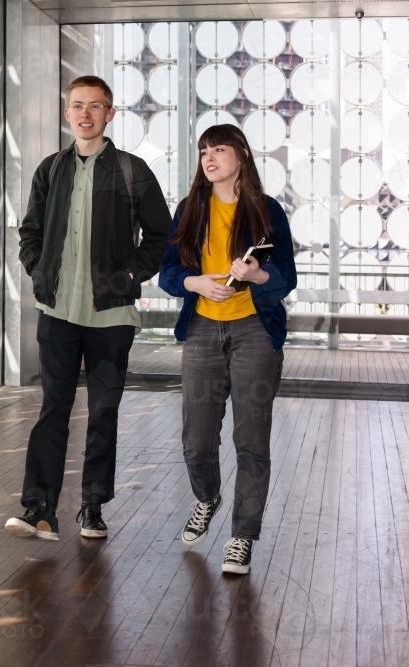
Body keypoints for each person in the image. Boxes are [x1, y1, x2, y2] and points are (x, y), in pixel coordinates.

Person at [6, 76, 171, 542]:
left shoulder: (132, 171)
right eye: (77, 106)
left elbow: (160, 236)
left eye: (94, 107)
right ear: (66, 113)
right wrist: (37, 269)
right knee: (52, 409)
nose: (85, 114)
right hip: (56, 312)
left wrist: (127, 277)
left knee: (103, 412)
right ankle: (38, 507)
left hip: (111, 318)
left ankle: (92, 506)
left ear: (109, 114)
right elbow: (30, 231)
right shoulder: (51, 169)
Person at [159, 124, 296, 575]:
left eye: (219, 149)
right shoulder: (189, 210)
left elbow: (285, 278)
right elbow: (167, 274)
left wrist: (258, 276)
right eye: (203, 151)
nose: (209, 158)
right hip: (201, 330)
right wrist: (193, 282)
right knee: (197, 441)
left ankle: (242, 536)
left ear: (242, 155)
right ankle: (207, 497)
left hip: (255, 333)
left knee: (251, 442)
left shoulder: (267, 211)